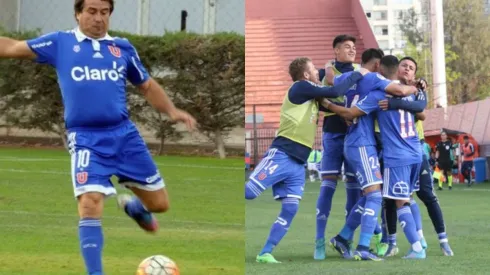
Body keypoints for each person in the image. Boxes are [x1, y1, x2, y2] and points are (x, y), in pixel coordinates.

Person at [0, 1, 197, 274]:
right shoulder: (61, 43)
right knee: (90, 202)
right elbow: (11, 47)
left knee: (160, 204)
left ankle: (137, 209)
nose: (98, 18)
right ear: (78, 13)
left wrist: (172, 111)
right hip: (86, 140)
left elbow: (147, 85)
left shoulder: (122, 48)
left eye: (104, 12)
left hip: (125, 137)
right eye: (91, 12)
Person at [245, 57, 367, 263]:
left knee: (291, 208)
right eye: (314, 70)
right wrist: (358, 74)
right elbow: (335, 92)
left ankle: (265, 252)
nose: (318, 73)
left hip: (298, 163)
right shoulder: (301, 87)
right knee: (249, 192)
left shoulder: (310, 96)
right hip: (282, 154)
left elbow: (333, 104)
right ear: (305, 75)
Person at [322, 54, 419, 261]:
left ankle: (343, 237)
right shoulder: (376, 84)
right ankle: (363, 248)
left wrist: (328, 67)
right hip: (362, 143)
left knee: (370, 194)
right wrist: (416, 88)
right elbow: (400, 92)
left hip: (361, 143)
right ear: (378, 66)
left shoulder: (350, 77)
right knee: (375, 196)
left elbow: (331, 80)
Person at [378, 57, 454, 257]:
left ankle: (432, 242)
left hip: (411, 150)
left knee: (419, 196)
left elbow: (421, 112)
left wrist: (397, 102)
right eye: (404, 66)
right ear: (397, 69)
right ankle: (405, 241)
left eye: (411, 68)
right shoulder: (392, 88)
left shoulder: (404, 93)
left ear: (413, 74)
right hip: (403, 150)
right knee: (398, 198)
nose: (407, 70)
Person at [314, 35, 365, 259]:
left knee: (354, 187)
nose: (352, 50)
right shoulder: (324, 73)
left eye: (354, 47)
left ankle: (347, 241)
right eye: (347, 47)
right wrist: (340, 111)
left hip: (355, 135)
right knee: (328, 185)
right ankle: (319, 242)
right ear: (336, 51)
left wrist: (349, 113)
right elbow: (316, 101)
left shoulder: (361, 72)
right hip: (333, 133)